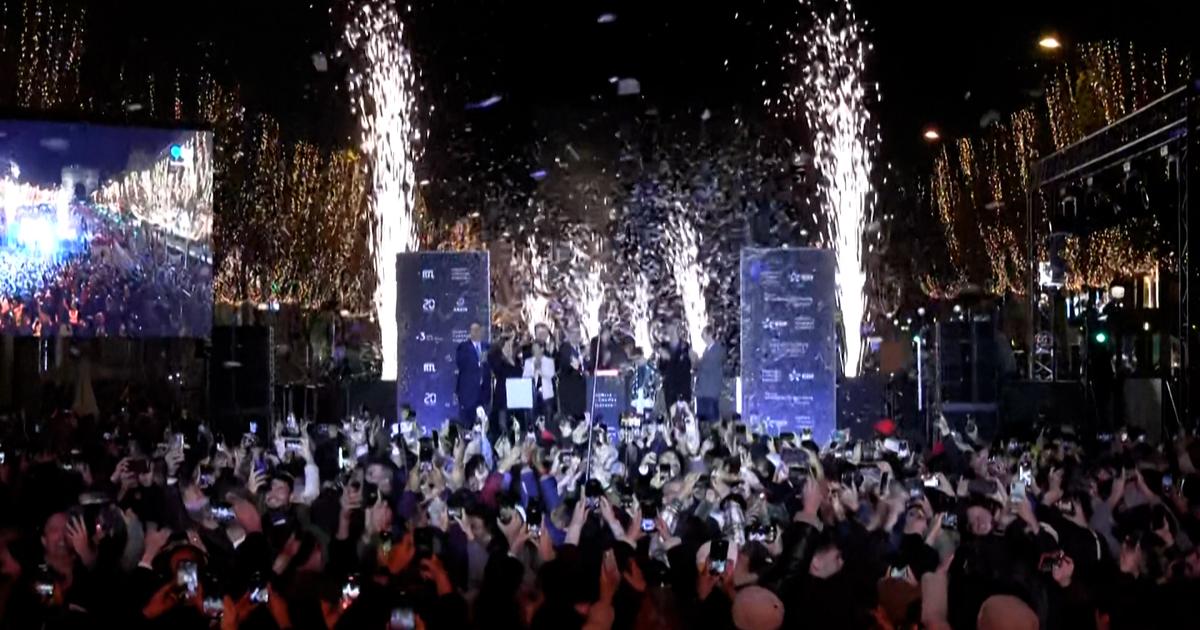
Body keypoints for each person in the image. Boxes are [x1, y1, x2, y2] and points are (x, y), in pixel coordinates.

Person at [486, 335, 523, 440]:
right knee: (503, 426)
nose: (510, 346)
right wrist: (505, 355)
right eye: (508, 344)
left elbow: (520, 374)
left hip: (516, 399)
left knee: (516, 427)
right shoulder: (497, 359)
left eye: (511, 344)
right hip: (503, 399)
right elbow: (495, 366)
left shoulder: (517, 360)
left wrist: (511, 359)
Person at [455, 322, 491, 426]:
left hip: (484, 394)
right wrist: (477, 362)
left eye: (477, 330)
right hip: (468, 394)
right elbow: (460, 363)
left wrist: (486, 361)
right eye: (473, 330)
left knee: (483, 424)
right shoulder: (463, 347)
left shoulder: (487, 347)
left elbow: (492, 365)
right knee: (467, 424)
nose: (475, 333)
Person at [657, 321, 693, 408]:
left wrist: (670, 359)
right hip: (670, 388)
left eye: (672, 330)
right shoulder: (664, 347)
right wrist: (662, 359)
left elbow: (685, 367)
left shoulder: (685, 347)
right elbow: (662, 369)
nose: (671, 333)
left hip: (683, 388)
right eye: (669, 330)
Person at [555, 327, 587, 421]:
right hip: (570, 387)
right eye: (576, 333)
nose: (579, 336)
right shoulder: (566, 348)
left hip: (577, 389)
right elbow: (573, 365)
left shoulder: (576, 348)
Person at [694, 326, 725, 422]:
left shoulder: (718, 350)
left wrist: (697, 361)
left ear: (710, 334)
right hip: (702, 392)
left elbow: (708, 366)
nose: (702, 336)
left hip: (710, 392)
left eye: (703, 334)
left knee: (711, 422)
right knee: (702, 423)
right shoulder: (706, 350)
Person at [522, 340, 556, 422]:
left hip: (546, 393)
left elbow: (551, 374)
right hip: (533, 393)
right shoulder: (528, 361)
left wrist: (539, 370)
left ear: (542, 349)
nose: (534, 351)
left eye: (536, 348)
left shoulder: (549, 361)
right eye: (533, 349)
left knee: (548, 417)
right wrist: (533, 371)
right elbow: (525, 377)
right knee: (532, 416)